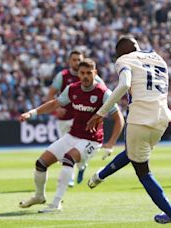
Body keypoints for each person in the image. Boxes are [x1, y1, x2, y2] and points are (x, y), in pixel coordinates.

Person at [86, 36, 171, 228]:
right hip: (162, 119)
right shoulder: (158, 57)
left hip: (140, 119)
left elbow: (125, 84)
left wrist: (101, 113)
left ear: (119, 52)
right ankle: (99, 176)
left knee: (143, 171)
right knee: (134, 154)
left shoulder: (124, 60)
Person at [19, 58, 124, 212]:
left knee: (69, 159)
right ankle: (39, 196)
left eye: (89, 73)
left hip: (92, 140)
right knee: (41, 163)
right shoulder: (72, 89)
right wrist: (32, 112)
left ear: (95, 73)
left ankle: (56, 203)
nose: (86, 76)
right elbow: (55, 103)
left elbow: (119, 119)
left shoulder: (104, 93)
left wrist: (111, 143)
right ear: (79, 75)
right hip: (72, 135)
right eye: (83, 73)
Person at [47, 50, 103, 186]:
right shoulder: (62, 76)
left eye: (79, 60)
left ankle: (82, 166)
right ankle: (70, 177)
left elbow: (104, 91)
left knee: (78, 150)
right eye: (74, 60)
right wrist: (56, 110)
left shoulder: (90, 76)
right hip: (65, 118)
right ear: (69, 61)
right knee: (67, 150)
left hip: (82, 119)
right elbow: (51, 94)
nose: (77, 62)